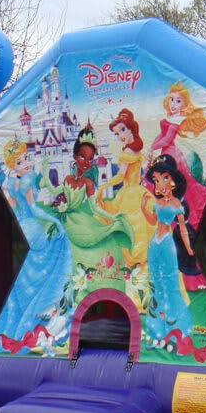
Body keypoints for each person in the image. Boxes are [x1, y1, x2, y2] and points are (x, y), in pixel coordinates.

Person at [0, 139, 73, 354]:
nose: (26, 163)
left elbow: (11, 207)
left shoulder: (11, 184)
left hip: (18, 228)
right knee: (46, 263)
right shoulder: (27, 180)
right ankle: (36, 318)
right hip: (31, 228)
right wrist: (54, 221)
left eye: (26, 159)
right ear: (13, 165)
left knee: (19, 274)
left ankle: (14, 322)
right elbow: (34, 209)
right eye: (20, 161)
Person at [41, 129, 137, 306]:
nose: (86, 162)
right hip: (65, 219)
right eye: (82, 157)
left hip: (79, 222)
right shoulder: (68, 179)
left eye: (90, 159)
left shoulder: (88, 183)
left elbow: (94, 208)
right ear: (74, 157)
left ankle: (91, 290)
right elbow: (53, 190)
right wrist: (46, 169)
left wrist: (112, 217)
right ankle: (63, 293)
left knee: (90, 248)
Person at [147, 81, 206, 228]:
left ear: (184, 104)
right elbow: (161, 135)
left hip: (172, 154)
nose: (173, 104)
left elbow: (167, 139)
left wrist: (153, 148)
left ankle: (188, 216)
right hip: (165, 152)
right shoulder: (170, 117)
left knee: (180, 185)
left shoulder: (178, 119)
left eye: (178, 101)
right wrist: (152, 147)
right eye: (172, 99)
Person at [141, 154, 193, 340]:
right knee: (155, 283)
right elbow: (152, 221)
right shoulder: (158, 203)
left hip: (167, 244)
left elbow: (183, 229)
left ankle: (176, 328)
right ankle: (157, 328)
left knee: (171, 283)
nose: (160, 184)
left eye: (164, 178)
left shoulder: (176, 204)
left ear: (172, 180)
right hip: (154, 244)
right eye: (156, 180)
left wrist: (189, 248)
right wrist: (143, 208)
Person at [96, 108, 155, 268]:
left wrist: (104, 186)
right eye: (117, 133)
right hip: (138, 191)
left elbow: (120, 176)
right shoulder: (136, 149)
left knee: (131, 226)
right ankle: (142, 260)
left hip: (129, 193)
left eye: (122, 130)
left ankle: (134, 261)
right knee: (140, 226)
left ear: (131, 128)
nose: (120, 136)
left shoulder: (128, 151)